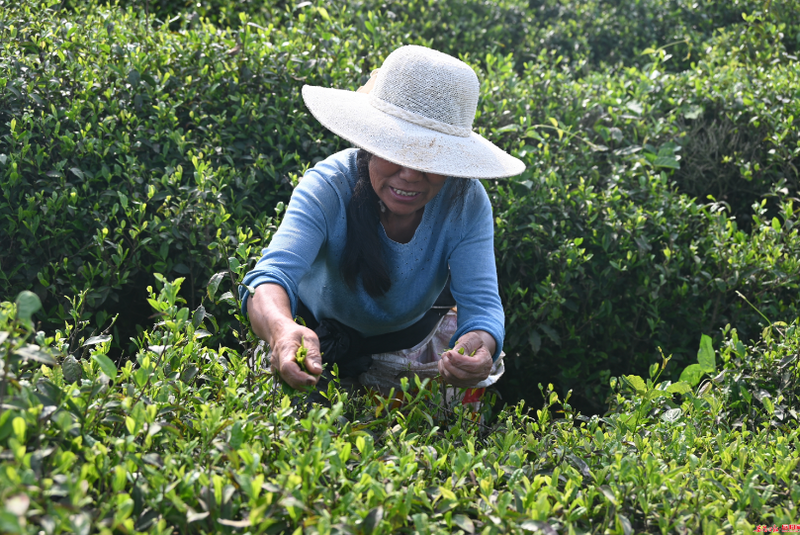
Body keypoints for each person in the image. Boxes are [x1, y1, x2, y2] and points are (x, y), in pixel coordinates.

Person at [241, 45, 525, 393]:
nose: (410, 174)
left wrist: (480, 345)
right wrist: (282, 328)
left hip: (409, 343)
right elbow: (269, 278)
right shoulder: (329, 186)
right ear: (371, 143)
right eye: (397, 150)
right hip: (312, 336)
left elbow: (481, 306)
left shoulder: (465, 202)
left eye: (433, 159)